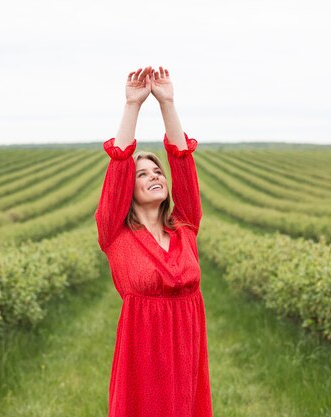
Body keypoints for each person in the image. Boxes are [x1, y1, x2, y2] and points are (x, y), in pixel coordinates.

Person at [94, 66, 213, 416]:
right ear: (127, 190)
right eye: (142, 174)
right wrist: (132, 106)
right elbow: (117, 168)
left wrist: (167, 103)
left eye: (157, 171)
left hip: (187, 354)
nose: (154, 176)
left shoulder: (185, 227)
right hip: (144, 361)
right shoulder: (116, 235)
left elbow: (182, 160)